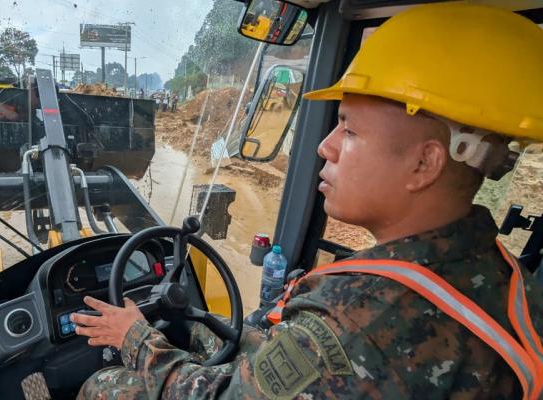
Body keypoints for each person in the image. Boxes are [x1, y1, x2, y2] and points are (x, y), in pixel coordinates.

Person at [72, 3, 543, 399]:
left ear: (425, 163)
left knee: (105, 385)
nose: (324, 146)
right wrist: (196, 327)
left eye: (349, 130)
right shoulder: (509, 281)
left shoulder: (354, 317)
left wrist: (135, 337)